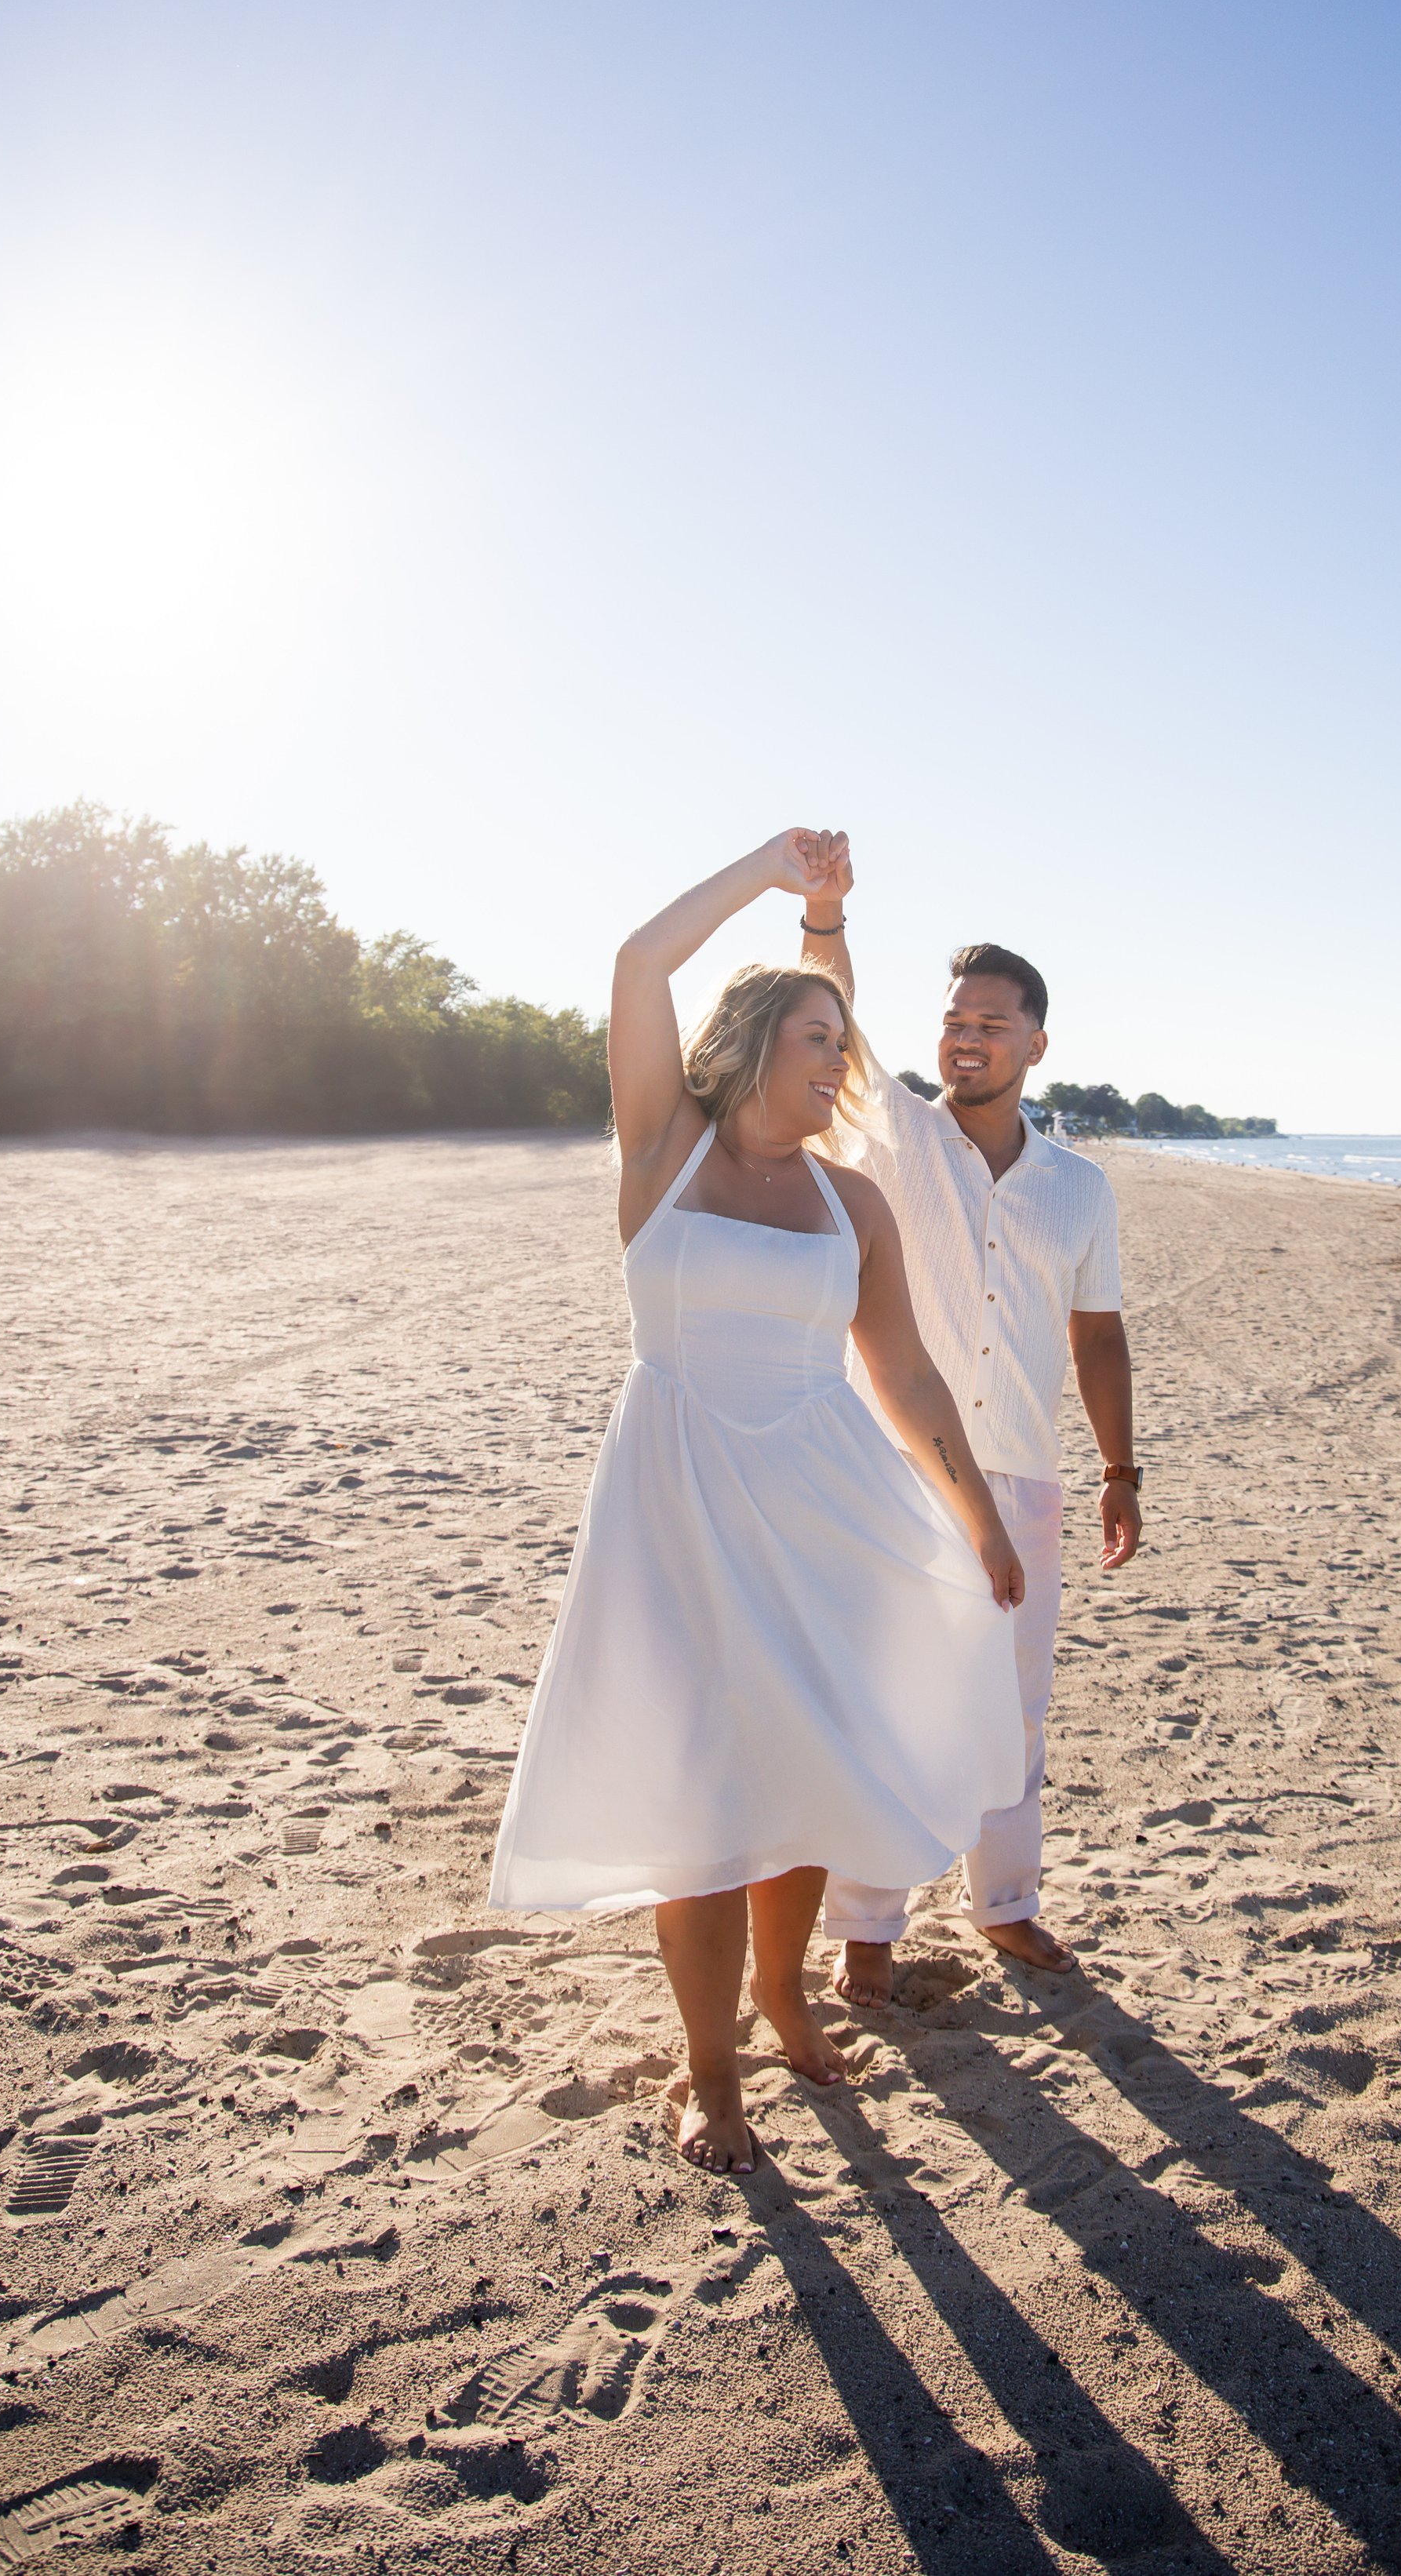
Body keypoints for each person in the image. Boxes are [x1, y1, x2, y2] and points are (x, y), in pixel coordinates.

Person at [486, 831, 1026, 2175]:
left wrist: (980, 1518)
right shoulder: (662, 1145)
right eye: (816, 1032)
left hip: (820, 1508)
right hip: (672, 1505)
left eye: (846, 1039)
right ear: (750, 1040)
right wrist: (776, 878)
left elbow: (901, 1371)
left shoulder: (853, 1204)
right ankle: (708, 2065)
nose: (839, 1058)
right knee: (700, 1790)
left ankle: (783, 1993)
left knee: (802, 1767)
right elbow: (636, 958)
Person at [794, 835, 1141, 2003]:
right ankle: (868, 1930)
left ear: (1038, 1042)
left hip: (1026, 1481)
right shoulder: (891, 1130)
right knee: (885, 1696)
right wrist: (829, 913)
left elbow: (1099, 1335)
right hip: (895, 1473)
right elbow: (829, 1016)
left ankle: (1006, 1907)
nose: (966, 1036)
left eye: (992, 1022)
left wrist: (1121, 1470)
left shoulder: (1080, 1187)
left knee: (1014, 1711)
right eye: (954, 1018)